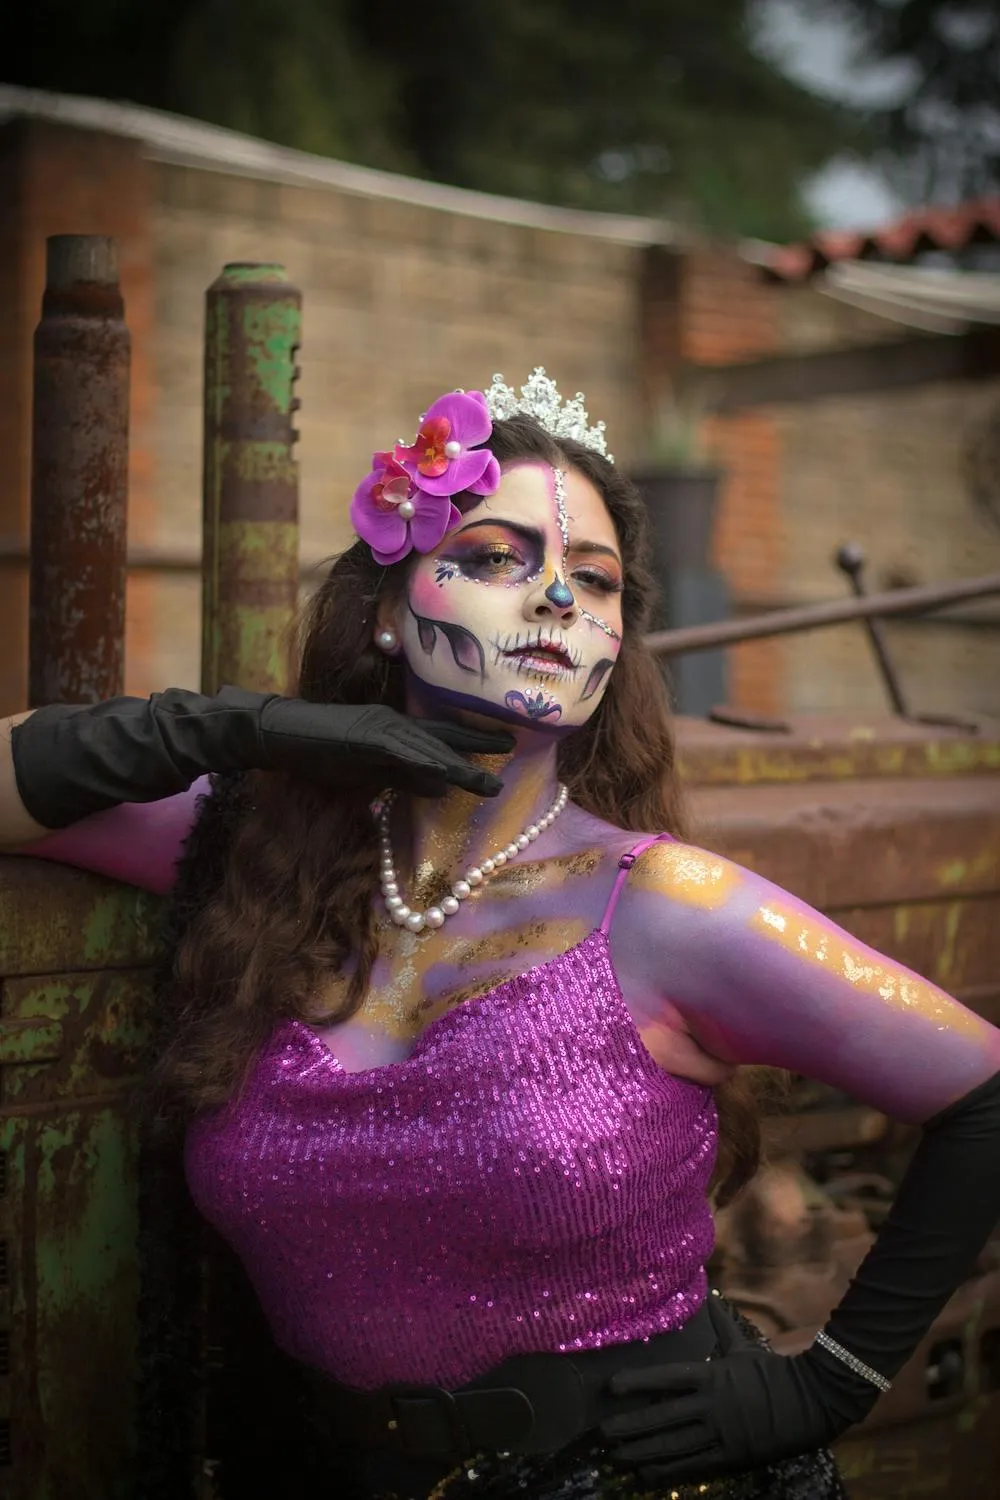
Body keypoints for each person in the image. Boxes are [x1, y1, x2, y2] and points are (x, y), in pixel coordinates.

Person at [4, 369, 1000, 1500]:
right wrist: (251, 726)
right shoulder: (245, 850)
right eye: (492, 557)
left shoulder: (668, 906)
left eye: (593, 580)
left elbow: (983, 1091)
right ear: (388, 607)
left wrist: (829, 1381)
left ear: (619, 640)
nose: (555, 602)